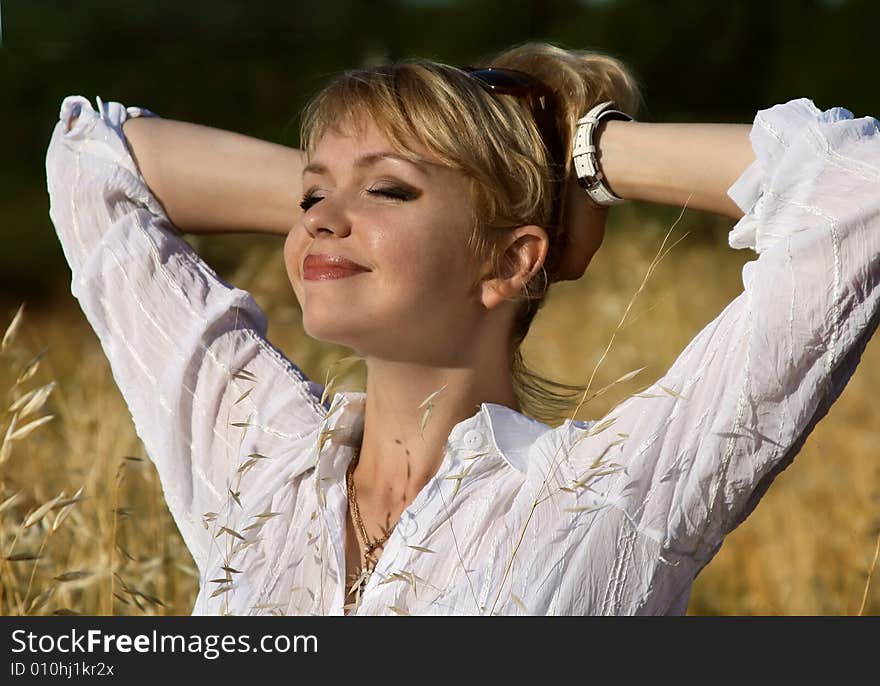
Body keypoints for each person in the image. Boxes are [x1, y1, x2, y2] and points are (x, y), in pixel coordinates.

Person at [45, 42, 879, 616]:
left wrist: (578, 159)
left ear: (513, 263)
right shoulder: (258, 463)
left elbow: (858, 191)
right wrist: (348, 207)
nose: (322, 220)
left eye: (392, 190)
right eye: (311, 195)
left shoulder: (610, 497)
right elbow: (92, 164)